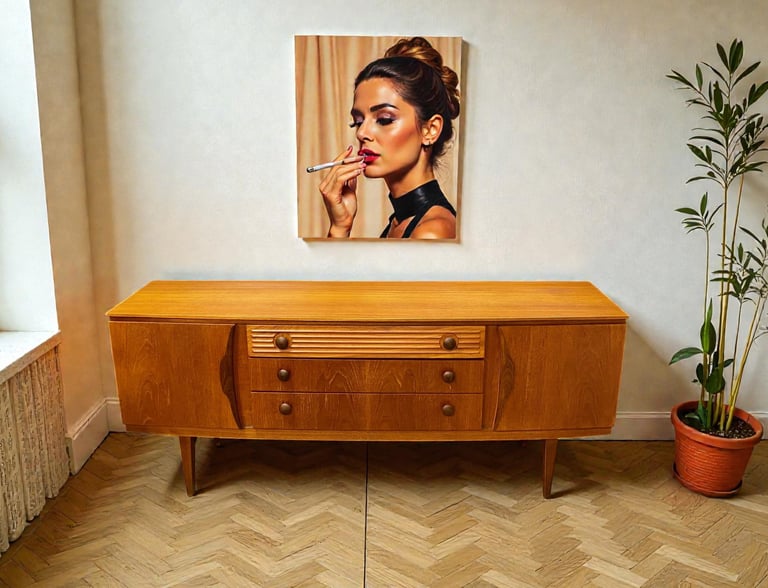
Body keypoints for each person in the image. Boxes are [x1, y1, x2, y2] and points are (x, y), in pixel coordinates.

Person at [319, 37, 460, 239]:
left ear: (430, 129)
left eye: (384, 119)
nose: (361, 133)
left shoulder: (432, 231)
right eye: (358, 121)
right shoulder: (399, 222)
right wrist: (340, 227)